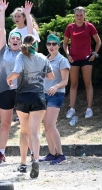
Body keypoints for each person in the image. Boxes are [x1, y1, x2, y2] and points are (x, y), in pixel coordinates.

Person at [7, 34, 54, 178]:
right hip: (38, 97)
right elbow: (51, 76)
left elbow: (16, 73)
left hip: (22, 97)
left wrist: (9, 78)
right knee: (35, 132)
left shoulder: (21, 56)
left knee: (24, 132)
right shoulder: (43, 58)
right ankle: (35, 159)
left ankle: (22, 164)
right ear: (36, 45)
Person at [0, 0, 33, 163]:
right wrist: (2, 12)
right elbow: (1, 30)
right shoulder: (3, 51)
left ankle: (32, 152)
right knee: (5, 124)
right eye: (12, 39)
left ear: (21, 41)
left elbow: (30, 34)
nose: (15, 40)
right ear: (9, 41)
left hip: (22, 91)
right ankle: (1, 152)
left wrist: (28, 16)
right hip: (4, 90)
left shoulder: (25, 52)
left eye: (18, 39)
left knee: (26, 126)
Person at [63, 6, 102, 119]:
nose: (79, 17)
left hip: (87, 58)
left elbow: (98, 42)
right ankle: (72, 109)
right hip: (73, 59)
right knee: (73, 84)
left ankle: (89, 109)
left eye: (81, 15)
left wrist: (95, 54)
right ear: (74, 16)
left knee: (87, 83)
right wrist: (68, 54)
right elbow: (65, 44)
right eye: (77, 15)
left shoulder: (89, 26)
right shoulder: (70, 27)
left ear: (84, 15)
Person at [40, 33, 70, 165]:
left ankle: (61, 155)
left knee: (51, 125)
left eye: (54, 44)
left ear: (58, 46)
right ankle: (52, 153)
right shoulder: (44, 59)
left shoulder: (62, 60)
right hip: (44, 94)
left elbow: (65, 81)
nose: (51, 46)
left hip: (56, 94)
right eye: (49, 44)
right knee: (46, 126)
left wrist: (55, 87)